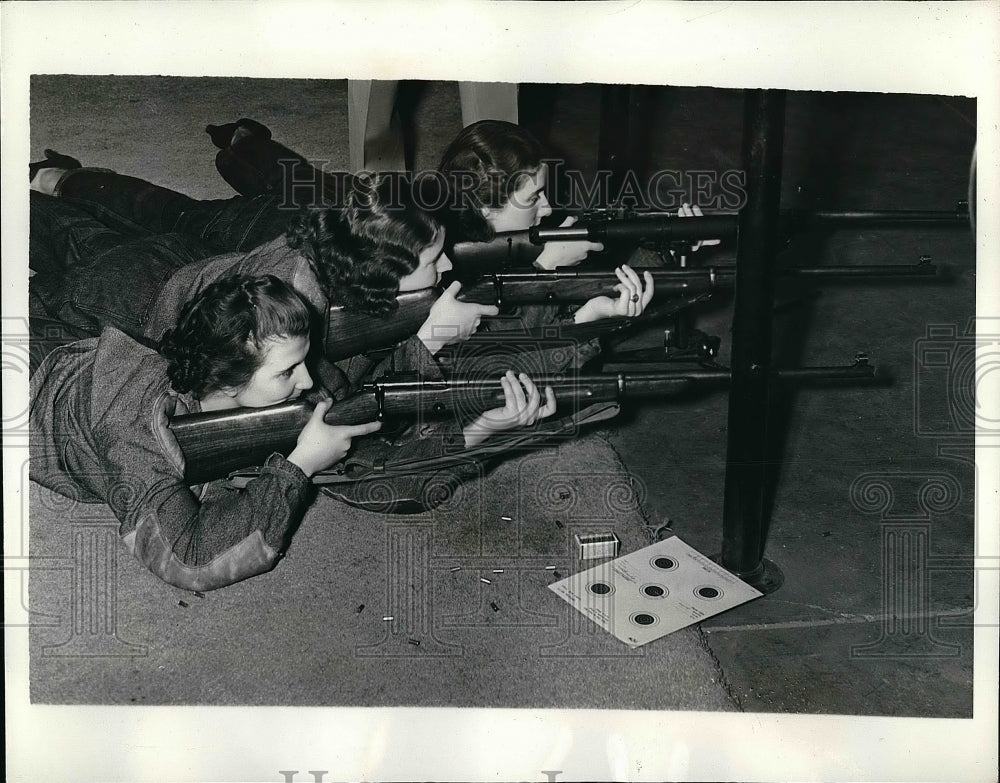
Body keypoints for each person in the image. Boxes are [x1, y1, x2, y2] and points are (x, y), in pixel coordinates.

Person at [30, 273, 558, 590]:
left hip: (73, 342)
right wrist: (300, 465)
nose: (307, 380)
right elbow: (188, 559)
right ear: (226, 378)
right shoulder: (134, 429)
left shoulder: (259, 384)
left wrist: (480, 417)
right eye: (286, 372)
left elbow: (358, 404)